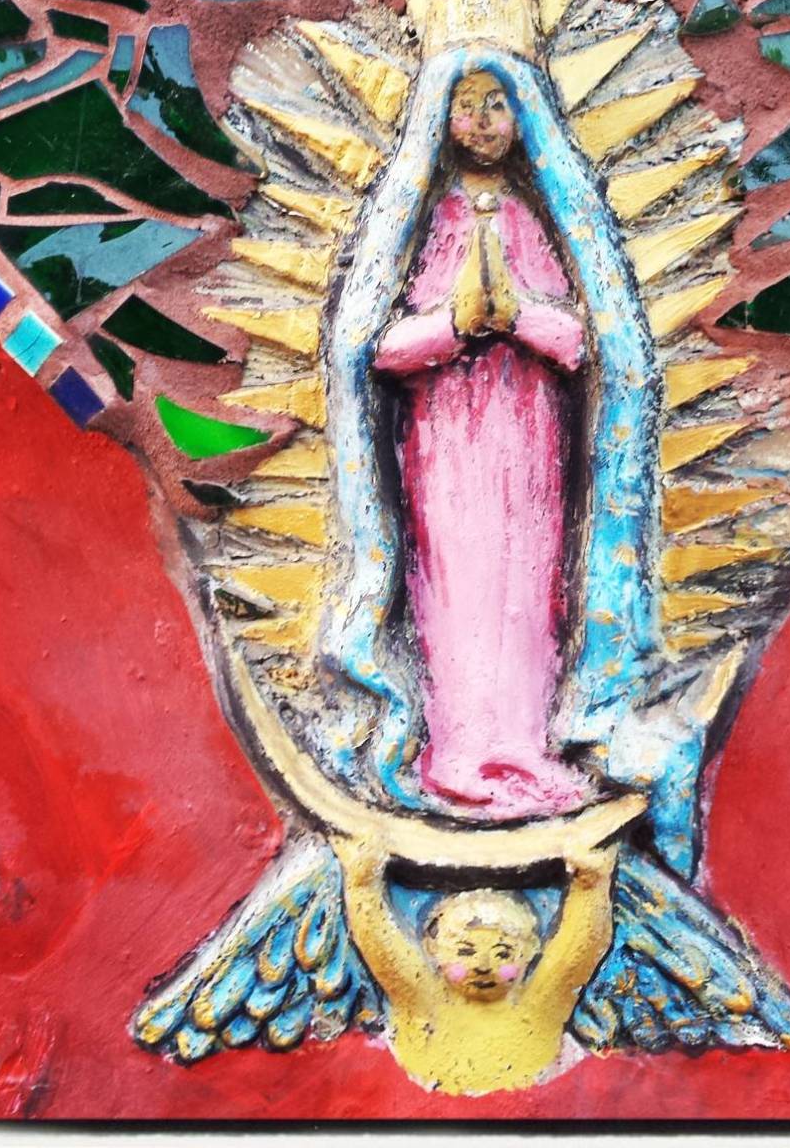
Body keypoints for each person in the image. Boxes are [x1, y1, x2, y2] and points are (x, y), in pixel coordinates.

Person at [373, 71, 590, 820]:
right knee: (458, 580)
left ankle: (522, 750)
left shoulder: (533, 216)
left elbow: (579, 338)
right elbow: (381, 346)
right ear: (442, 120)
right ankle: (459, 753)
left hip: (528, 437)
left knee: (527, 590)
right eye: (466, 107)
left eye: (496, 104)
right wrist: (454, 324)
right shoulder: (428, 221)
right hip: (447, 439)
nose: (484, 120)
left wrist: (519, 316)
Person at [332, 832, 618, 1094]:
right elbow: (383, 949)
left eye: (503, 954)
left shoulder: (538, 1005)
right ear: (434, 950)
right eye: (465, 951)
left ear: (530, 953)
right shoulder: (427, 1002)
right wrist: (363, 883)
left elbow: (577, 952)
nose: (483, 965)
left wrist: (591, 884)